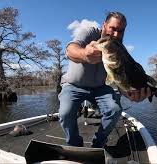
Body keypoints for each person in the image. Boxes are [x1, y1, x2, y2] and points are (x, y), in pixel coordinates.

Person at [58, 11, 151, 148]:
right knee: (65, 113)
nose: (116, 34)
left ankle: (98, 143)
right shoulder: (89, 32)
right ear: (104, 25)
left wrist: (130, 94)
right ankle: (74, 145)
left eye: (121, 31)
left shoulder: (120, 48)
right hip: (73, 85)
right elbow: (70, 49)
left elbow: (120, 79)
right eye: (112, 28)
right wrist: (84, 54)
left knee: (115, 109)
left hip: (101, 87)